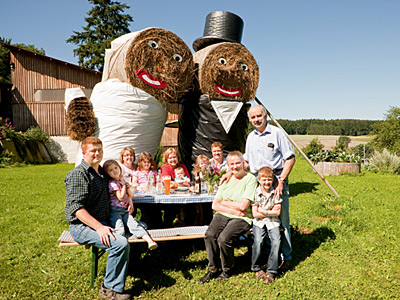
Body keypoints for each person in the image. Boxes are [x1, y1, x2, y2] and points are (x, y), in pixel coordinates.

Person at [64, 137, 131, 300]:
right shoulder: (79, 174)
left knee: (136, 231)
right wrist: (99, 228)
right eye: (93, 150)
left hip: (105, 220)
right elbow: (76, 208)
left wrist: (129, 200)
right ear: (84, 152)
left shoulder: (101, 172)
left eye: (99, 150)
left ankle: (124, 272)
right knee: (120, 244)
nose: (97, 153)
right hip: (82, 226)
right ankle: (109, 289)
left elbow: (117, 188)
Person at [244, 104, 295, 272]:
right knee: (261, 219)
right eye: (253, 117)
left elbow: (290, 158)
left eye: (259, 116)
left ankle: (285, 258)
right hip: (258, 181)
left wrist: (280, 181)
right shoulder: (250, 137)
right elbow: (246, 162)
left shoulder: (276, 133)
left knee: (282, 220)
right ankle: (267, 253)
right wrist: (231, 173)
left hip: (276, 179)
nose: (256, 120)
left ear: (265, 116)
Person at [199, 151, 257, 284]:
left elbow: (244, 206)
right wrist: (234, 210)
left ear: (243, 163)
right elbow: (215, 205)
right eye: (232, 164)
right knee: (210, 234)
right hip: (226, 214)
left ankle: (228, 268)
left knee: (224, 238)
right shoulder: (226, 179)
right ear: (228, 166)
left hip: (243, 218)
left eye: (238, 163)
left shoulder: (250, 179)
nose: (235, 167)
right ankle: (213, 269)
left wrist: (225, 203)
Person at [103, 159, 158, 250]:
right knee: (120, 229)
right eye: (111, 170)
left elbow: (131, 195)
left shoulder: (122, 180)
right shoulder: (112, 184)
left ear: (120, 168)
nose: (115, 171)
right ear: (107, 174)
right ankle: (122, 247)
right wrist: (124, 186)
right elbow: (120, 197)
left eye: (116, 168)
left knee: (134, 225)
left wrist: (127, 188)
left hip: (124, 210)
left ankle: (150, 241)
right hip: (115, 211)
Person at [251, 166, 282, 284]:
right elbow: (255, 213)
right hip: (259, 222)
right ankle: (256, 267)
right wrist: (270, 211)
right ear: (259, 179)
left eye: (269, 179)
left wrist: (264, 211)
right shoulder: (256, 192)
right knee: (258, 241)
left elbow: (277, 212)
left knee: (276, 241)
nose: (267, 182)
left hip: (273, 221)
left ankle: (272, 270)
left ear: (273, 179)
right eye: (264, 180)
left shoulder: (275, 193)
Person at [160, 148, 193, 227]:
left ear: (178, 158)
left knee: (191, 206)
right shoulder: (165, 167)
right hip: (170, 195)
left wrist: (176, 183)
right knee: (171, 208)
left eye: (174, 157)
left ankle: (189, 228)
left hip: (184, 193)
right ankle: (167, 229)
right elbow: (167, 184)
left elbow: (189, 182)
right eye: (170, 158)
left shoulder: (182, 167)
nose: (173, 159)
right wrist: (180, 183)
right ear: (166, 159)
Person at [132, 152, 162, 229]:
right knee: (146, 210)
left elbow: (158, 182)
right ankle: (147, 225)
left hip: (152, 194)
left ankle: (158, 226)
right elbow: (134, 182)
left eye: (148, 162)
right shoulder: (137, 173)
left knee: (156, 210)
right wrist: (140, 186)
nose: (146, 164)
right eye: (144, 162)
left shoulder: (153, 172)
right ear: (140, 162)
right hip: (142, 196)